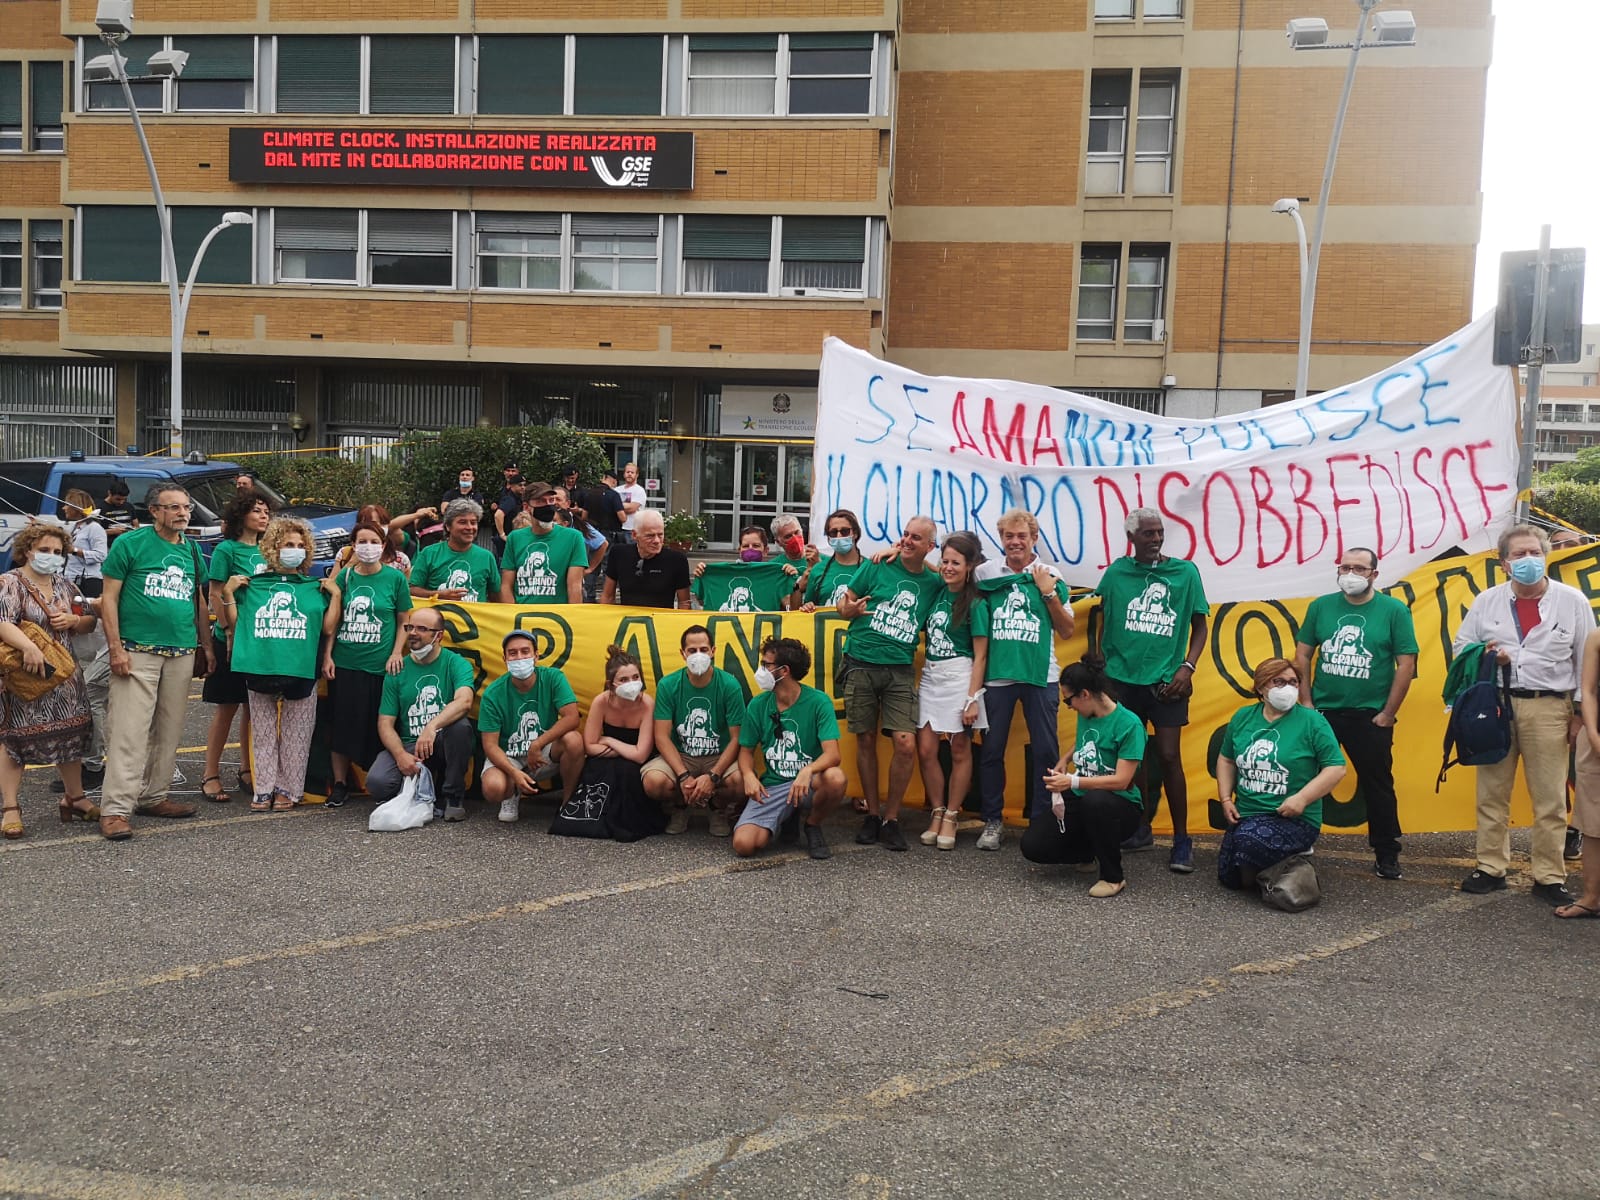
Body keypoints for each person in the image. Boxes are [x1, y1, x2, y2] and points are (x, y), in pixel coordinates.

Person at [1452, 524, 1592, 905]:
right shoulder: (1487, 601)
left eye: (1534, 552)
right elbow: (1461, 646)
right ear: (1504, 563)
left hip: (1549, 707)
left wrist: (1580, 714)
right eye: (1519, 554)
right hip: (1496, 705)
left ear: (1546, 556)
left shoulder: (1572, 601)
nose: (1528, 560)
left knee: (1550, 798)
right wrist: (1486, 655)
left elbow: (1587, 661)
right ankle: (1490, 867)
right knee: (1491, 793)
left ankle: (1549, 876)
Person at [1090, 508, 1209, 872]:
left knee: (1169, 756)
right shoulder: (1117, 573)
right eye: (1148, 533)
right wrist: (1103, 661)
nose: (1156, 538)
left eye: (1159, 532)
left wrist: (1187, 667)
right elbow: (1103, 616)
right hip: (1123, 680)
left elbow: (1200, 625)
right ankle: (1140, 829)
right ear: (1131, 538)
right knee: (1133, 756)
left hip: (1167, 682)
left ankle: (1182, 840)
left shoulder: (1185, 572)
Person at [95, 483, 213, 840]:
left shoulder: (192, 550)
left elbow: (198, 601)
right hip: (137, 649)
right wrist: (115, 648)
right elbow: (108, 599)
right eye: (173, 507)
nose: (182, 513)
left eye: (186, 507)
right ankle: (115, 809)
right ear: (155, 511)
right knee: (129, 732)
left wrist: (206, 647)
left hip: (181, 651)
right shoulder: (130, 544)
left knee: (169, 730)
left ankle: (154, 796)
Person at [1293, 546, 1418, 880]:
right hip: (1323, 712)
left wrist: (1388, 713)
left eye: (1359, 568)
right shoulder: (1321, 607)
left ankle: (1387, 852)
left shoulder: (1393, 610)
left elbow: (1406, 664)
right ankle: (1297, 842)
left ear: (1374, 574)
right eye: (1345, 567)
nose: (1350, 574)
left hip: (1370, 715)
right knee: (1303, 775)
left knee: (1378, 785)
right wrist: (1306, 703)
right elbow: (1302, 654)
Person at [836, 515, 945, 851]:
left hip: (900, 669)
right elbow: (843, 605)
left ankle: (892, 819)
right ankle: (872, 814)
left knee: (905, 744)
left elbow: (956, 577)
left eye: (916, 538)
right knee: (865, 739)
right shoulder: (876, 565)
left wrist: (917, 559)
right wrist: (849, 610)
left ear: (930, 546)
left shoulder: (934, 581)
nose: (907, 541)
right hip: (860, 661)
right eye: (905, 535)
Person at [973, 509, 1076, 851]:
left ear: (1034, 538)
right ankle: (993, 820)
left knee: (1045, 750)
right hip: (998, 677)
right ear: (1001, 539)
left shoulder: (1051, 575)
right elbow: (949, 576)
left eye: (1022, 536)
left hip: (1041, 676)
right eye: (1009, 536)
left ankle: (1042, 822)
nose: (1015, 542)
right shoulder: (985, 574)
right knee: (992, 750)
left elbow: (1067, 629)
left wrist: (1048, 593)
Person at [221, 516, 334, 812]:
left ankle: (288, 789)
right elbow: (236, 623)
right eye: (288, 544)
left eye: (299, 545)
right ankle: (264, 789)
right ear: (273, 547)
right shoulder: (251, 585)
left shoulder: (315, 588)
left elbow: (327, 628)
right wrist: (228, 593)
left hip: (302, 668)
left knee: (298, 734)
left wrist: (335, 595)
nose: (294, 550)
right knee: (262, 733)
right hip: (260, 666)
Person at [1216, 658, 1347, 893]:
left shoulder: (1312, 721)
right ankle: (1278, 864)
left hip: (1294, 818)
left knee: (1247, 844)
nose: (1287, 688)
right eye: (1278, 682)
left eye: (1293, 682)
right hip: (1248, 814)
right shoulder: (1243, 717)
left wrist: (1302, 799)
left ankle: (1294, 855)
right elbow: (1226, 759)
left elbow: (1336, 767)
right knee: (1229, 877)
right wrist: (1225, 799)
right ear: (1261, 687)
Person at [0, 523, 98, 838]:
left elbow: (89, 621)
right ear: (27, 550)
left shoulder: (66, 585)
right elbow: (2, 621)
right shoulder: (10, 582)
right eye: (44, 550)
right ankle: (11, 808)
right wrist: (28, 646)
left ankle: (75, 797)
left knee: (71, 734)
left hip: (64, 676)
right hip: (25, 676)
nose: (51, 556)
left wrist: (74, 619)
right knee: (14, 740)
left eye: (57, 551)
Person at [1021, 659, 1148, 897]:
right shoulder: (1088, 712)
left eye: (1069, 700)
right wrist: (1065, 759)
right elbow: (1087, 739)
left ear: (1085, 694)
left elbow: (1121, 781)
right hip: (1083, 794)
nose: (1069, 706)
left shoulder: (1129, 725)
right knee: (1033, 845)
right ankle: (1089, 852)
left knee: (1095, 801)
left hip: (1119, 804)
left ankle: (1113, 877)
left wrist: (1071, 781)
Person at [320, 522, 413, 808]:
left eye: (374, 541)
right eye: (362, 541)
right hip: (346, 663)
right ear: (353, 545)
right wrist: (328, 655)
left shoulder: (395, 579)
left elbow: (404, 619)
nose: (368, 546)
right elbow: (334, 620)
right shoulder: (345, 577)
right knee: (341, 725)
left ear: (383, 546)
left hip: (380, 666)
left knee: (379, 724)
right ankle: (340, 783)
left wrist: (396, 652)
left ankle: (382, 780)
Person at [736, 637, 846, 861]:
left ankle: (812, 825)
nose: (761, 670)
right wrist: (748, 775)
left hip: (807, 783)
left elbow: (833, 755)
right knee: (744, 845)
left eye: (766, 665)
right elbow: (745, 751)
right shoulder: (758, 704)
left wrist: (808, 770)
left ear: (784, 671)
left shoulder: (818, 702)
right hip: (774, 785)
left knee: (836, 778)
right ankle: (787, 817)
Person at [916, 531, 989, 851]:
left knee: (960, 749)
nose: (948, 567)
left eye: (956, 563)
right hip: (931, 676)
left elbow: (981, 655)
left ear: (970, 565)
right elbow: (924, 566)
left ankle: (952, 814)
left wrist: (972, 698)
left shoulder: (976, 603)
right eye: (944, 561)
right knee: (926, 749)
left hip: (960, 677)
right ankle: (937, 809)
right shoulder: (937, 591)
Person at [368, 606, 476, 821]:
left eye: (422, 629)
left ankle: (453, 798)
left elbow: (464, 701)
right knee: (377, 783)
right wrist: (400, 755)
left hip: (442, 742)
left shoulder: (456, 663)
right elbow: (385, 722)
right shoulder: (397, 669)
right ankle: (420, 787)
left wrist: (431, 726)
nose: (413, 633)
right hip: (410, 745)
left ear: (439, 636)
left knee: (461, 728)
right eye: (410, 627)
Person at [199, 489, 273, 804]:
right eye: (257, 510)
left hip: (260, 638)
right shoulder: (227, 549)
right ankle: (210, 773)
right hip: (231, 639)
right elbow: (215, 593)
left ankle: (247, 767)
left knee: (253, 708)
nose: (263, 516)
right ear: (241, 515)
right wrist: (227, 630)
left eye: (266, 511)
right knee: (227, 707)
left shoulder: (269, 550)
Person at [642, 625, 748, 836]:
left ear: (713, 651)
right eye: (692, 650)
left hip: (718, 756)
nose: (698, 655)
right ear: (683, 654)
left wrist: (713, 776)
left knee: (741, 783)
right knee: (653, 782)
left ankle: (716, 807)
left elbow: (737, 738)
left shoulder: (729, 685)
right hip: (682, 755)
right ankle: (681, 805)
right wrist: (683, 776)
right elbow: (661, 736)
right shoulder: (668, 685)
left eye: (703, 649)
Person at [551, 645, 661, 841]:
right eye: (624, 680)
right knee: (599, 770)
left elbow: (641, 755)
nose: (631, 683)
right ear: (611, 684)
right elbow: (590, 746)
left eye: (635, 677)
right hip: (607, 758)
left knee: (627, 773)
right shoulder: (601, 702)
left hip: (632, 763)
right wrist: (624, 750)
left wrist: (609, 740)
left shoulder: (647, 704)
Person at [478, 629, 584, 824]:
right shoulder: (493, 693)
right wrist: (514, 773)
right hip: (509, 756)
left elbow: (572, 718)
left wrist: (537, 744)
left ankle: (568, 803)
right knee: (493, 788)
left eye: (525, 651)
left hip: (543, 752)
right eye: (513, 653)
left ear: (536, 655)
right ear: (504, 659)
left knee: (574, 740)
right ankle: (512, 793)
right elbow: (490, 745)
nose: (519, 657)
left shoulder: (553, 677)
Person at [1561, 625, 1600, 919]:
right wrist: (1595, 737)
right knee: (1593, 823)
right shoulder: (1597, 637)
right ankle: (1591, 898)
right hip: (1596, 739)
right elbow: (1587, 690)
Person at [499, 481, 587, 605]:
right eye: (540, 501)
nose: (547, 505)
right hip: (523, 614)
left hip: (557, 615)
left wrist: (572, 616)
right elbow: (506, 586)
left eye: (551, 500)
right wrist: (513, 614)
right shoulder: (515, 538)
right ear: (526, 507)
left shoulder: (573, 538)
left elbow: (574, 587)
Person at [410, 500, 500, 603]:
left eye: (473, 523)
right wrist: (439, 595)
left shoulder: (486, 557)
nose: (469, 527)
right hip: (438, 612)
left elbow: (496, 597)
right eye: (462, 522)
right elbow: (412, 590)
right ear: (448, 526)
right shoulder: (429, 553)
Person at [691, 526, 798, 611]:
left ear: (766, 551)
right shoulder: (721, 574)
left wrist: (793, 583)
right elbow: (703, 601)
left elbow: (791, 608)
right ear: (740, 550)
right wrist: (701, 576)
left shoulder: (775, 575)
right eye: (746, 546)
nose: (750, 550)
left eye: (756, 546)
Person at [602, 510, 691, 608]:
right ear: (634, 535)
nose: (656, 541)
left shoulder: (677, 560)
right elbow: (608, 596)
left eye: (660, 535)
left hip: (661, 617)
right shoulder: (619, 554)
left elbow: (684, 602)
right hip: (628, 616)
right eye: (650, 536)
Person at [796, 509, 866, 613]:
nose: (839, 536)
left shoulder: (869, 568)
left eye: (845, 531)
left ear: (855, 533)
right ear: (828, 538)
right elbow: (808, 607)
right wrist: (807, 607)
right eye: (833, 532)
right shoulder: (817, 570)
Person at [332, 503, 429, 576]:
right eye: (372, 523)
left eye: (383, 523)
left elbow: (405, 593)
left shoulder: (400, 560)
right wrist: (351, 563)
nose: (378, 527)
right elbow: (331, 586)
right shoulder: (344, 554)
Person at [553, 485, 609, 589]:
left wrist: (590, 569)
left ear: (567, 503)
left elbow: (603, 544)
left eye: (558, 499)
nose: (555, 503)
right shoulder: (543, 523)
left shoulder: (578, 525)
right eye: (552, 500)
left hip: (573, 581)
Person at [61, 489, 107, 599]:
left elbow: (101, 555)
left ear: (77, 507)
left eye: (67, 505)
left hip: (87, 581)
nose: (63, 508)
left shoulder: (94, 528)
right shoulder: (74, 527)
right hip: (70, 579)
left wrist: (74, 551)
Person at [492, 474, 527, 556]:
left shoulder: (518, 499)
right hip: (506, 542)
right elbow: (498, 515)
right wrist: (502, 535)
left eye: (524, 485)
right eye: (520, 485)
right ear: (512, 486)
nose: (523, 487)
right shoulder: (510, 500)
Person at [615, 462, 647, 544]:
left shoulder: (639, 491)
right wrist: (623, 506)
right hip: (617, 529)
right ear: (624, 474)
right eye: (627, 472)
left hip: (632, 530)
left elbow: (631, 508)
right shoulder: (617, 490)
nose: (629, 474)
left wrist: (616, 506)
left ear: (637, 475)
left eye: (632, 472)